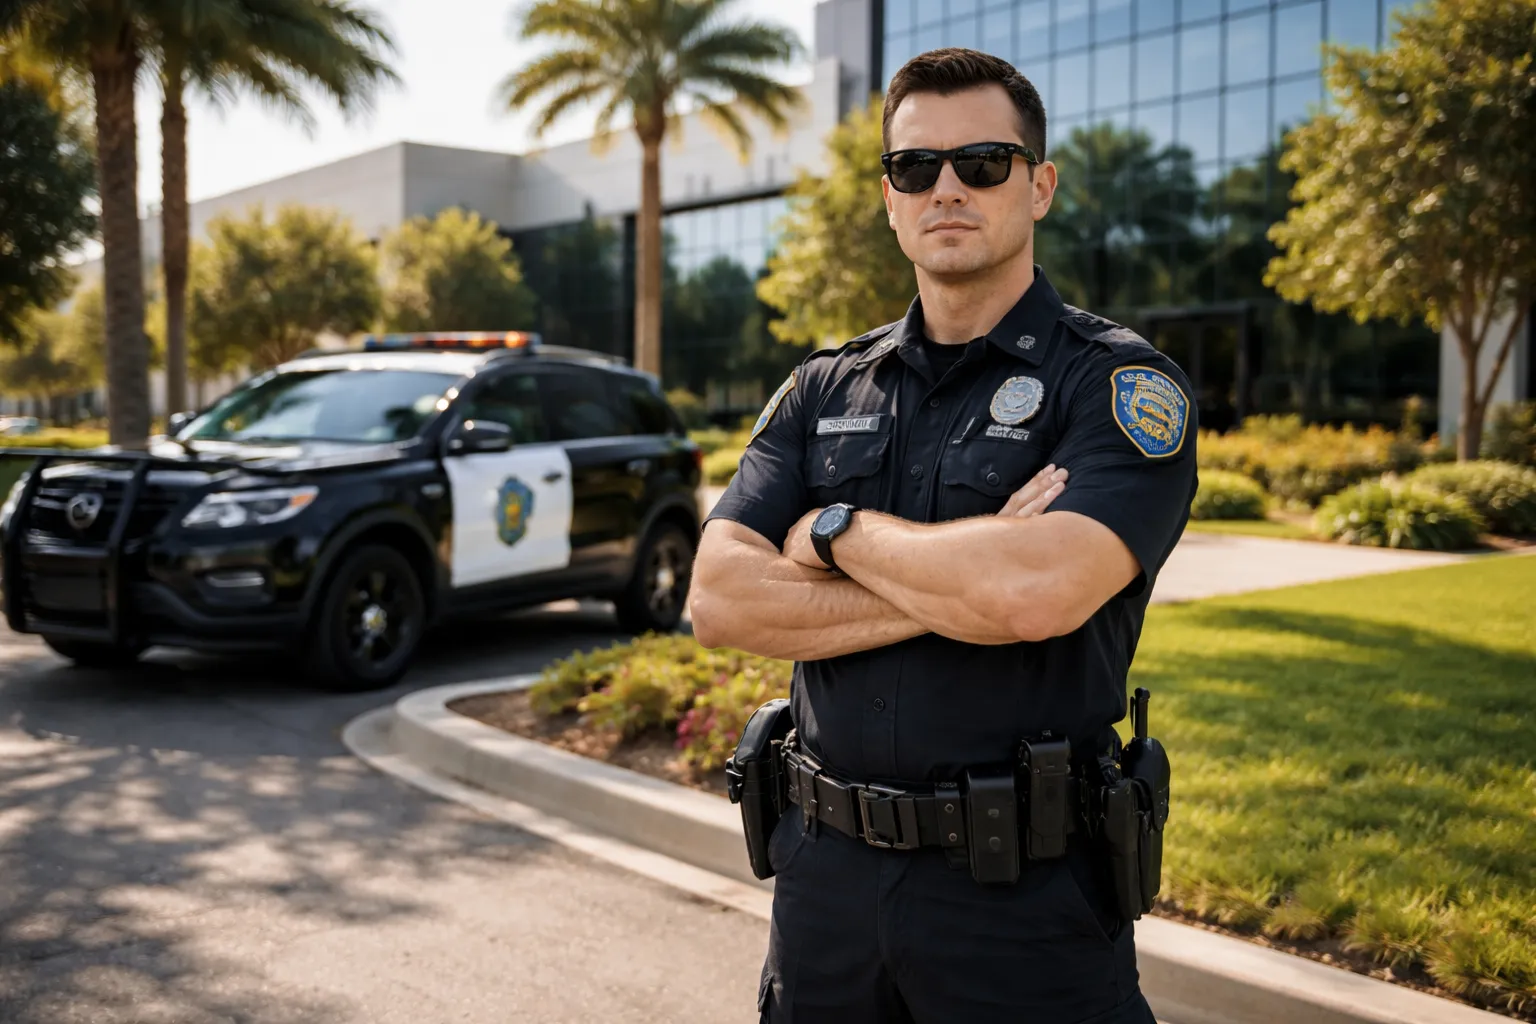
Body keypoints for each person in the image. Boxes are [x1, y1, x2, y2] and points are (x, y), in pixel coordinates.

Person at [690, 47, 1197, 1024]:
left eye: (984, 162)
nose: (947, 188)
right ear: (890, 198)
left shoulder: (1115, 384)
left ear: (1040, 185)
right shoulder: (824, 386)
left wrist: (830, 530)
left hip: (1024, 913)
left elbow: (1033, 594)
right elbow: (719, 597)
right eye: (916, 168)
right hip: (823, 897)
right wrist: (961, 579)